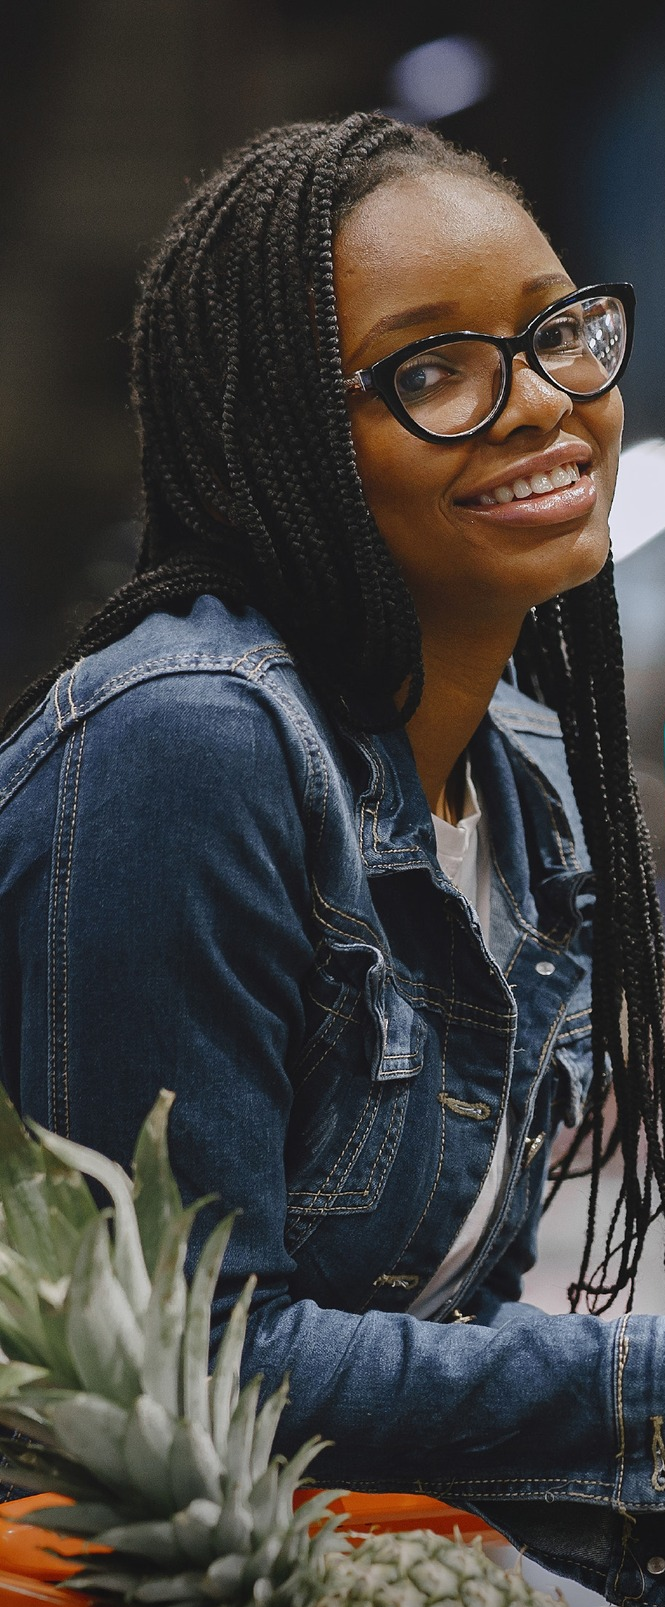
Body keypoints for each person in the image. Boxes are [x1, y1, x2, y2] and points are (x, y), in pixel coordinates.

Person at [0, 112, 664, 1601]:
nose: (543, 401)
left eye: (555, 331)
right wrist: (639, 1384)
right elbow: (193, 1383)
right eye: (429, 369)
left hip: (372, 1532)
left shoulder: (530, 781)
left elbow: (443, 1322)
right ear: (282, 432)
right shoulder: (185, 745)